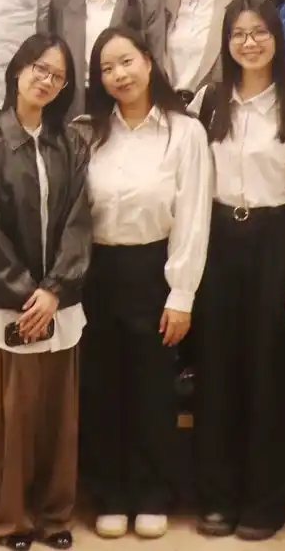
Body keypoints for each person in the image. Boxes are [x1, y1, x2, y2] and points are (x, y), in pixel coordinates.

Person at [191, 0, 285, 541]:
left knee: (274, 377)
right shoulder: (207, 101)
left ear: (276, 39)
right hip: (219, 239)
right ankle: (217, 497)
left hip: (279, 240)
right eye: (239, 34)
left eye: (260, 33)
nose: (249, 43)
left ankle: (267, 501)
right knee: (216, 373)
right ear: (226, 42)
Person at [76, 27, 212, 541]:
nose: (119, 75)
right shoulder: (88, 132)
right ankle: (110, 495)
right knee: (102, 389)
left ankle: (153, 494)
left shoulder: (185, 132)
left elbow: (193, 218)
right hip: (96, 272)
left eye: (127, 61)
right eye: (107, 68)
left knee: (152, 389)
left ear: (149, 62)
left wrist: (181, 294)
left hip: (156, 269)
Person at [0, 34, 91, 551]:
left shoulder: (72, 143)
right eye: (39, 68)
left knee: (60, 420)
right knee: (10, 421)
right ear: (18, 70)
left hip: (60, 303)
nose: (46, 80)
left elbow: (79, 220)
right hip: (3, 305)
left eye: (57, 75)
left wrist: (54, 289)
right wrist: (23, 293)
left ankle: (56, 516)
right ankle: (13, 520)